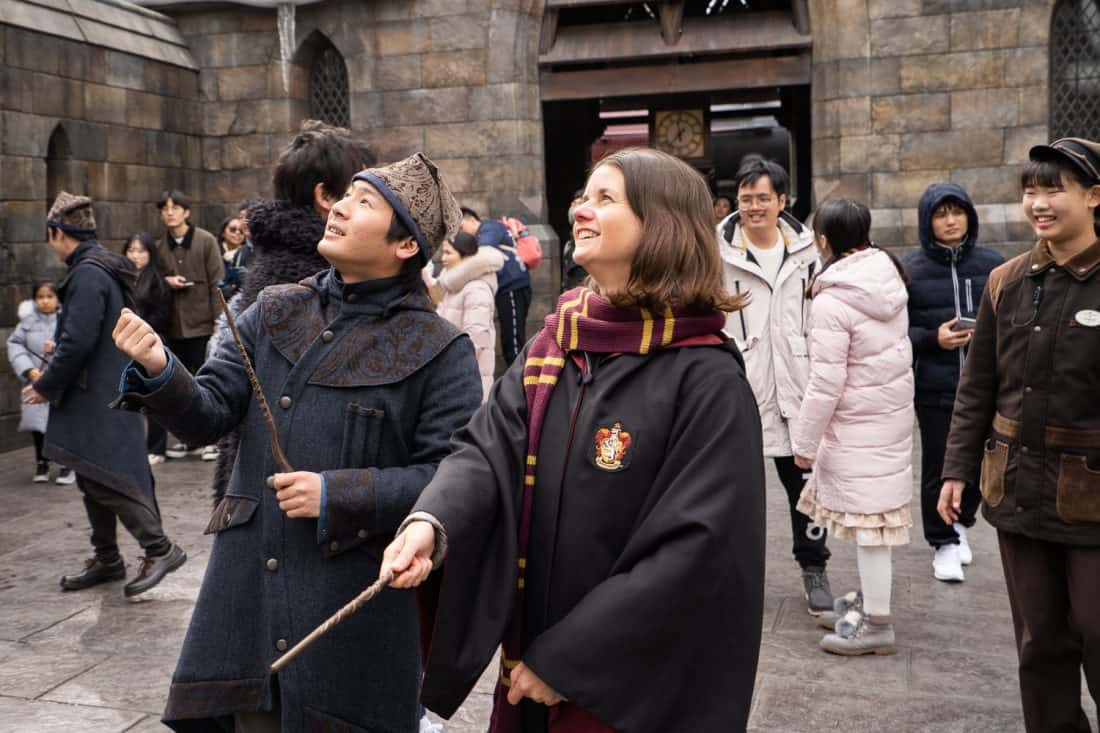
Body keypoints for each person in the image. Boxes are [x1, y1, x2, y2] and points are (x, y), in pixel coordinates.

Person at [383, 148, 766, 733]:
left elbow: (696, 549)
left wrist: (568, 662)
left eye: (605, 199)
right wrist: (430, 523)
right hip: (529, 661)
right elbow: (486, 449)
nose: (579, 211)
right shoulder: (556, 344)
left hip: (627, 688)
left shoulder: (707, 379)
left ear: (661, 224)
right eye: (582, 197)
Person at [113, 153, 482, 732]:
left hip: (349, 612)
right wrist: (160, 366)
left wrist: (339, 493)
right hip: (245, 600)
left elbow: (452, 476)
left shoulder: (440, 346)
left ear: (405, 244)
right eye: (345, 196)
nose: (338, 208)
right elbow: (207, 415)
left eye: (364, 203)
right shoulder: (274, 308)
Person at [940, 138, 1100, 733]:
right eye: (1031, 190)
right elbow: (977, 387)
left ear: (1094, 196)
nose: (1039, 202)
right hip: (1018, 491)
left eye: (1054, 188)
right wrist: (956, 470)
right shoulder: (1006, 281)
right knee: (1039, 644)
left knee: (1097, 630)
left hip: (1091, 502)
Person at [207, 119, 375, 505]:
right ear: (327, 198)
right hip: (289, 491)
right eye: (360, 193)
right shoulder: (309, 274)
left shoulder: (283, 257)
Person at [26, 192, 185, 597]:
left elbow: (77, 342)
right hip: (103, 388)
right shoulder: (94, 269)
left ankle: (159, 548)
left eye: (51, 236)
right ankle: (108, 558)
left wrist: (45, 385)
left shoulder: (88, 274)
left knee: (105, 478)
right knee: (89, 471)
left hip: (99, 393)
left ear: (58, 232)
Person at [791, 198, 914, 656]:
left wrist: (805, 443)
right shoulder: (885, 274)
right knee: (874, 522)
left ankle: (878, 625)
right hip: (888, 417)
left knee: (870, 528)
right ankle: (869, 603)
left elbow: (827, 382)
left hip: (859, 424)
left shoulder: (834, 298)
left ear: (823, 241)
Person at [716, 157, 833, 617]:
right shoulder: (716, 251)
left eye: (763, 198)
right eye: (746, 199)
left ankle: (814, 569)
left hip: (796, 386)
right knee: (733, 494)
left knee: (805, 488)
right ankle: (728, 578)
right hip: (739, 385)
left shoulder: (809, 253)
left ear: (783, 201)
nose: (754, 207)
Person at [903, 184, 1003, 582]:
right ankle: (942, 542)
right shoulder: (911, 271)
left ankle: (960, 525)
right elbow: (897, 331)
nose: (950, 221)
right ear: (928, 221)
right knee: (940, 468)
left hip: (986, 387)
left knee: (981, 464)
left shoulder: (994, 266)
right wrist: (933, 338)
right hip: (936, 386)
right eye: (941, 214)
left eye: (957, 212)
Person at [153, 189, 223, 460]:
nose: (169, 212)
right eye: (165, 208)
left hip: (203, 323)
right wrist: (166, 282)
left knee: (206, 379)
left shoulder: (205, 241)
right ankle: (187, 437)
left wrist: (218, 321)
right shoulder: (160, 247)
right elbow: (153, 280)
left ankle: (211, 439)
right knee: (178, 384)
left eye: (175, 207)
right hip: (173, 325)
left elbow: (217, 282)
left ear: (186, 212)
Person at [6, 281, 74, 484]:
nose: (45, 301)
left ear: (58, 298)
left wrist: (55, 349)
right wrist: (29, 369)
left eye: (50, 296)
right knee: (37, 425)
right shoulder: (27, 322)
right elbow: (15, 345)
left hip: (60, 382)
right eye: (40, 297)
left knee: (63, 422)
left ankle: (66, 464)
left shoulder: (67, 319)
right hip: (35, 380)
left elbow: (76, 346)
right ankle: (42, 462)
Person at [432, 230, 505, 400]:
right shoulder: (454, 285)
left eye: (448, 253)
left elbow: (476, 340)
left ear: (465, 255)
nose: (443, 258)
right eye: (443, 252)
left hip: (467, 382)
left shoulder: (476, 289)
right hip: (452, 378)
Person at [124, 233, 173, 465]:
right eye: (131, 250)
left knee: (154, 397)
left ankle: (156, 447)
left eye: (141, 250)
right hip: (126, 343)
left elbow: (163, 316)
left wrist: (141, 325)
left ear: (150, 254)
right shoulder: (123, 278)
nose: (135, 255)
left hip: (150, 342)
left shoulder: (156, 280)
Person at [461, 207, 532, 366]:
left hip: (512, 286)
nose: (461, 233)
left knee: (513, 342)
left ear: (472, 220)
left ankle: (521, 383)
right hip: (510, 288)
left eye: (461, 227)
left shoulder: (489, 227)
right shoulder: (489, 229)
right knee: (511, 339)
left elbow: (484, 249)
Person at [560, 188, 589, 293]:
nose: (575, 208)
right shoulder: (569, 244)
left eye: (580, 203)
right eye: (573, 204)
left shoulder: (594, 239)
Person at [216, 214, 247, 299]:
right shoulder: (214, 252)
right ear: (223, 233)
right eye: (233, 229)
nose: (237, 233)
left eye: (241, 231)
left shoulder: (249, 253)